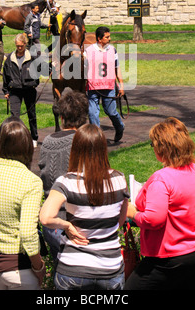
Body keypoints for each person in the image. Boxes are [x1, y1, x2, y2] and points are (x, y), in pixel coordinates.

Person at [125, 117, 195, 290]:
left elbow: (153, 220)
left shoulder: (161, 179)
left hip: (171, 256)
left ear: (161, 149)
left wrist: (132, 213)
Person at [40, 123, 129, 290]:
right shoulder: (119, 180)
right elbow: (120, 221)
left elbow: (45, 217)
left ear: (75, 149)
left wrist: (66, 225)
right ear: (103, 148)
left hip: (73, 268)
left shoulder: (66, 182)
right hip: (110, 268)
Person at [0, 116, 45, 290]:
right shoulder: (31, 181)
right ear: (28, 146)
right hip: (20, 269)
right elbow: (28, 234)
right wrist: (39, 266)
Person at [38, 88, 89, 262]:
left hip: (50, 218)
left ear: (61, 118)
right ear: (84, 119)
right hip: (74, 222)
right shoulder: (83, 142)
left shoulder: (47, 142)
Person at [84, 26, 125, 142]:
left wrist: (121, 85)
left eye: (109, 36)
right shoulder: (88, 51)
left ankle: (119, 127)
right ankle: (97, 138)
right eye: (107, 37)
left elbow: (117, 68)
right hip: (93, 87)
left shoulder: (112, 50)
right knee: (92, 113)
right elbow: (83, 68)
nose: (109, 39)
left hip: (109, 86)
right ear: (99, 38)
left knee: (111, 111)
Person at [2, 33, 39, 147]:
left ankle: (34, 137)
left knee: (31, 115)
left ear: (25, 44)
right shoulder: (10, 59)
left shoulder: (32, 57)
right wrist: (6, 91)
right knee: (14, 116)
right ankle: (16, 138)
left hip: (29, 89)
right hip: (15, 90)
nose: (19, 48)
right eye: (17, 46)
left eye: (21, 46)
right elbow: (5, 75)